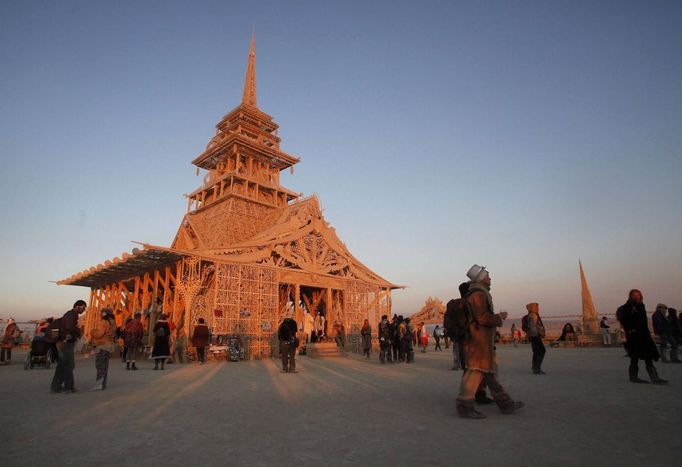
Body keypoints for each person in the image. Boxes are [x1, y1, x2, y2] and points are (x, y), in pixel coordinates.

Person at [456, 265, 523, 419]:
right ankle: (464, 406)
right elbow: (482, 318)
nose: (490, 278)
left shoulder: (477, 293)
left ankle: (505, 403)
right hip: (478, 342)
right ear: (481, 279)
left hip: (482, 342)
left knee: (489, 372)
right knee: (474, 374)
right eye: (487, 276)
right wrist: (500, 317)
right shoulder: (478, 294)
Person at [616, 290, 667, 384]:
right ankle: (633, 377)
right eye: (634, 295)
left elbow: (643, 321)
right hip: (633, 336)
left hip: (644, 335)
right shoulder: (627, 307)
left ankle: (654, 377)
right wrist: (630, 329)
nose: (636, 297)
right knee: (635, 357)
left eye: (638, 295)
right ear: (630, 296)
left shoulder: (641, 306)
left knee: (648, 356)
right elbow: (625, 320)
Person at [51, 300, 87, 394]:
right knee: (69, 365)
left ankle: (56, 386)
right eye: (83, 308)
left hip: (61, 342)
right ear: (77, 306)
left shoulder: (68, 314)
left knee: (62, 365)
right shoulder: (72, 315)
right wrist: (78, 332)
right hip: (66, 343)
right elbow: (70, 328)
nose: (83, 310)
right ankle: (68, 387)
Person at [89, 308, 117, 391]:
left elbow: (99, 334)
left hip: (101, 345)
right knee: (105, 366)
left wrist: (92, 331)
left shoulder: (104, 322)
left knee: (99, 365)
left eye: (101, 312)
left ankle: (99, 384)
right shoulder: (113, 323)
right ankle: (103, 384)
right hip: (108, 346)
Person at [525, 303, 546, 375]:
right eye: (536, 307)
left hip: (533, 335)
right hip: (535, 335)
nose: (538, 309)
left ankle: (535, 368)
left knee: (536, 352)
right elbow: (533, 326)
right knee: (541, 351)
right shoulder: (533, 315)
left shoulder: (531, 315)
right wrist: (540, 333)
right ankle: (537, 368)